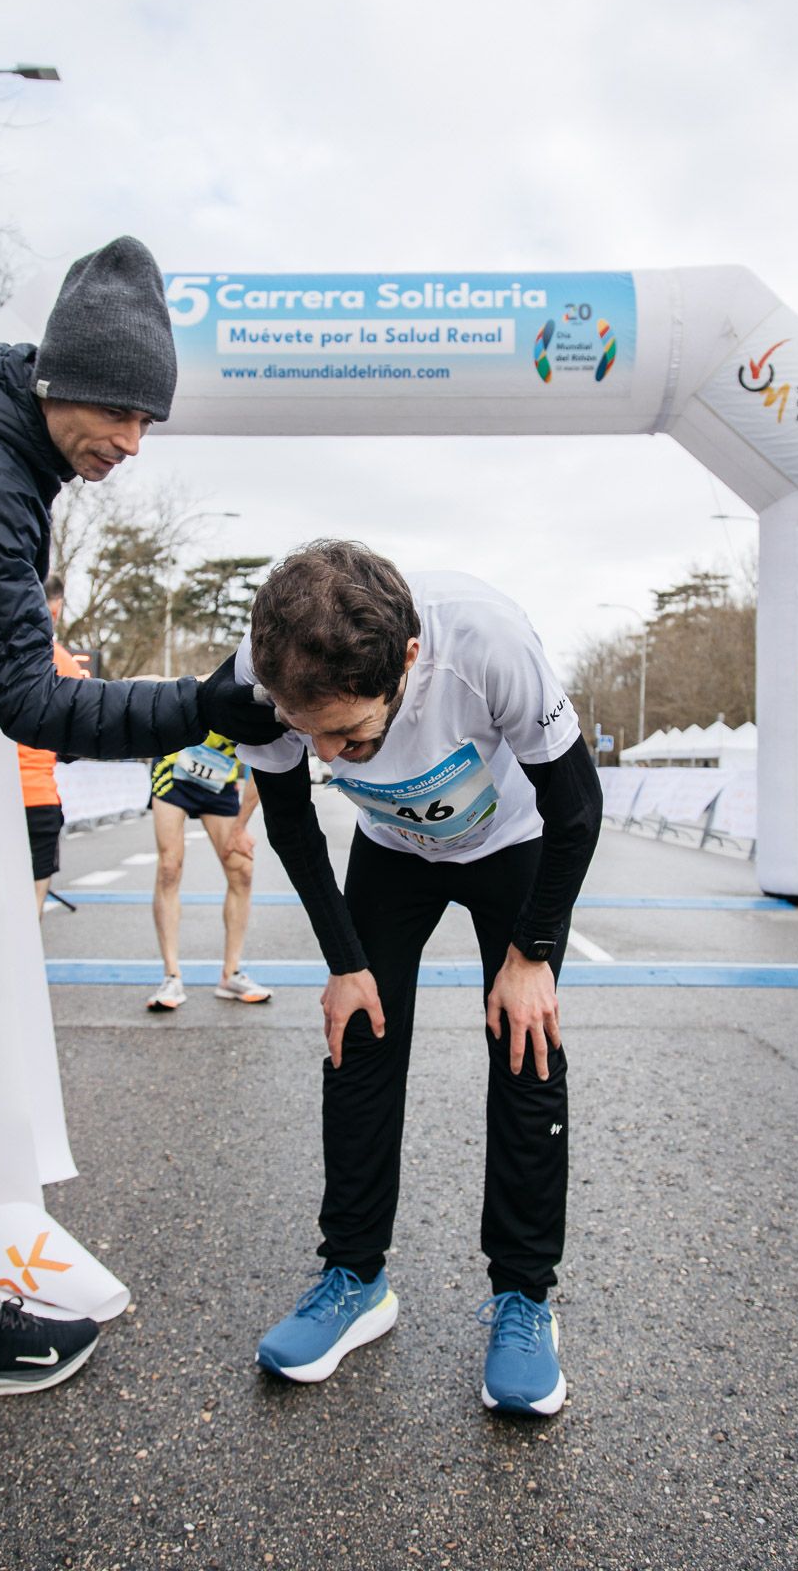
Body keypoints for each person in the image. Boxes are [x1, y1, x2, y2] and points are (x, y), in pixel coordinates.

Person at [0, 236, 281, 1414]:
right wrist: (203, 704)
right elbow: (31, 700)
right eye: (119, 409)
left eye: (148, 420)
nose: (130, 441)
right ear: (57, 378)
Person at [234, 540, 602, 1415]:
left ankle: (523, 1298)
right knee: (355, 1040)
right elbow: (290, 824)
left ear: (406, 661)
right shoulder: (261, 673)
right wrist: (343, 963)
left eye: (349, 732)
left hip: (511, 845)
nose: (330, 758)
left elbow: (577, 807)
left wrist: (533, 956)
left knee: (525, 1046)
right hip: (393, 854)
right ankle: (354, 1278)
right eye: (308, 735)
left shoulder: (486, 644)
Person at [147, 734, 272, 1010]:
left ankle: (231, 974)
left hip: (219, 780)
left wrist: (240, 828)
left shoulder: (274, 709)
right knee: (169, 867)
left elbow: (265, 767)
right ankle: (171, 976)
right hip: (175, 767)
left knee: (242, 871)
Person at [18, 573, 87, 915]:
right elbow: (75, 743)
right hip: (35, 797)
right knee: (29, 913)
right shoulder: (62, 661)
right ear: (56, 607)